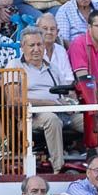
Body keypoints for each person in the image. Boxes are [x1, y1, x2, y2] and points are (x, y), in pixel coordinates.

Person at [14, 29, 84, 173]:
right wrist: (51, 103)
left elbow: (67, 93)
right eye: (31, 45)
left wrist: (71, 102)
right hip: (31, 116)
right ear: (22, 47)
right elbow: (15, 100)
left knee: (92, 120)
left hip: (61, 112)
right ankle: (59, 168)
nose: (36, 49)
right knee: (51, 119)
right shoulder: (15, 66)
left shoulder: (53, 68)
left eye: (39, 44)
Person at [37, 13, 74, 85]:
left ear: (57, 32)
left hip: (62, 93)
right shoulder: (32, 50)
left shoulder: (61, 50)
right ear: (37, 30)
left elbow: (69, 78)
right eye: (45, 29)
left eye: (52, 29)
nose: (49, 32)